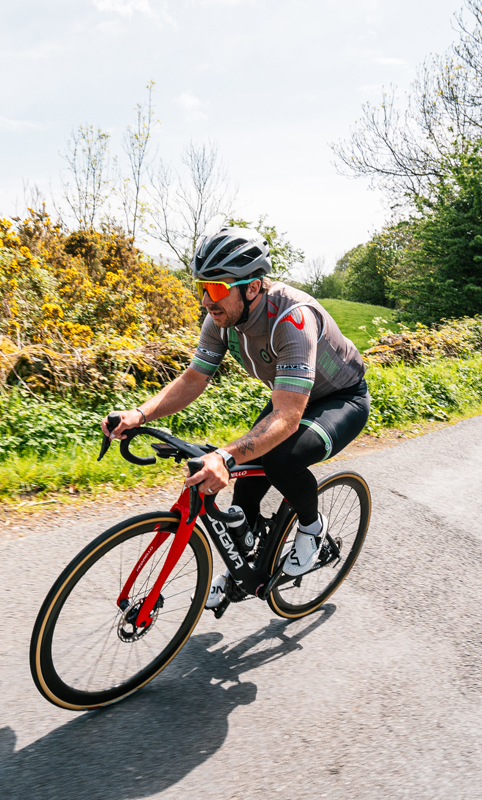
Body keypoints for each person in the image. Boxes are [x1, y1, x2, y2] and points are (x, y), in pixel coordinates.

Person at [102, 227, 370, 608]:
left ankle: (312, 528)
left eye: (214, 289)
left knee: (280, 458)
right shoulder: (220, 320)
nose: (205, 301)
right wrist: (139, 414)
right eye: (200, 289)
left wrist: (223, 456)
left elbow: (289, 417)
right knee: (245, 485)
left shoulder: (293, 320)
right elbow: (193, 378)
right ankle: (246, 569)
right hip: (290, 397)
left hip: (340, 399)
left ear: (253, 287)